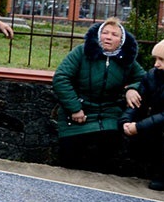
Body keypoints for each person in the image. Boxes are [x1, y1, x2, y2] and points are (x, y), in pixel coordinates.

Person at [52, 18, 146, 173]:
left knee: (103, 161)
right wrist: (75, 108)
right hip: (79, 113)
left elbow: (144, 79)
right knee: (70, 162)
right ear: (98, 35)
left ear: (121, 40)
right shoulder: (81, 52)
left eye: (114, 35)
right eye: (105, 33)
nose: (108, 37)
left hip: (109, 114)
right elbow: (61, 78)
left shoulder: (127, 59)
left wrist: (132, 89)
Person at [121, 36, 164, 191]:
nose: (156, 64)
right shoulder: (152, 75)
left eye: (162, 59)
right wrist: (125, 121)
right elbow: (138, 101)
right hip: (158, 126)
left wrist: (138, 127)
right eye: (156, 58)